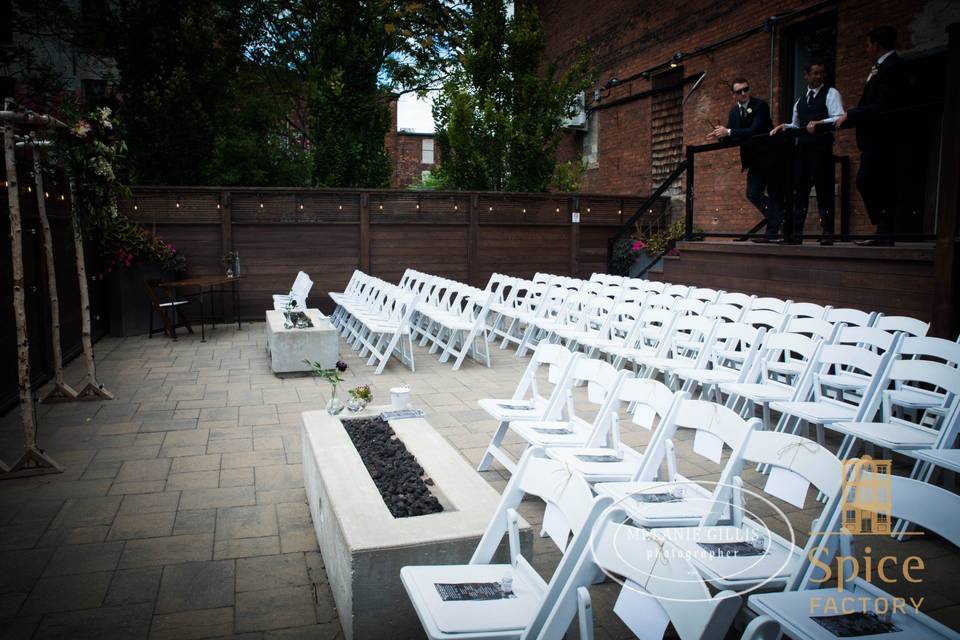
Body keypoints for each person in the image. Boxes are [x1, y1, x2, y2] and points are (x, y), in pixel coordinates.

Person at [834, 25, 908, 246]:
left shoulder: (893, 67)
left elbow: (885, 104)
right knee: (871, 182)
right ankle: (884, 230)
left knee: (870, 181)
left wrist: (852, 115)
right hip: (873, 139)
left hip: (884, 138)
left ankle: (886, 230)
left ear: (876, 44)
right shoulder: (879, 68)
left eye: (868, 44)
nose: (866, 48)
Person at [771, 61, 845, 245]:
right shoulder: (801, 99)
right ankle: (796, 233)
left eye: (821, 73)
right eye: (814, 73)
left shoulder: (831, 93)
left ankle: (827, 233)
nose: (818, 76)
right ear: (806, 75)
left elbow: (838, 116)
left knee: (824, 190)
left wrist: (819, 123)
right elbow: (797, 125)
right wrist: (785, 126)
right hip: (802, 151)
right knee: (800, 191)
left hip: (821, 149)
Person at [708, 78, 784, 243]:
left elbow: (753, 130)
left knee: (774, 193)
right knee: (753, 192)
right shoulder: (734, 112)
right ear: (733, 94)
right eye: (739, 91)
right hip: (754, 160)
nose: (743, 93)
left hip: (771, 156)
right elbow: (733, 136)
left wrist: (728, 131)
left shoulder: (760, 106)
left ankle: (772, 232)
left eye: (745, 89)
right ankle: (778, 216)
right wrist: (720, 135)